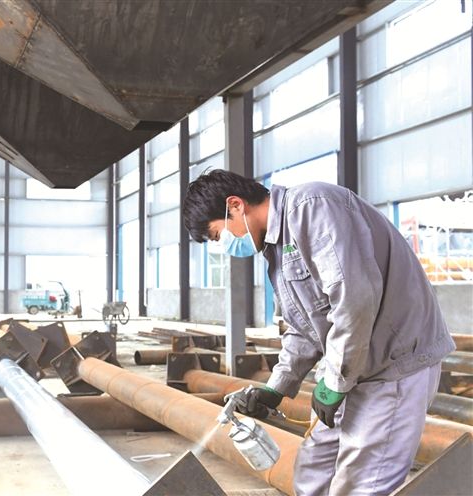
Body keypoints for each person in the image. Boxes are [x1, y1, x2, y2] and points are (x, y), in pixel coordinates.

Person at [183, 169, 455, 495]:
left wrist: (336, 382)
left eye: (217, 235)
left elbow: (354, 301)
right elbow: (303, 328)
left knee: (362, 481)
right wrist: (276, 388)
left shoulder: (312, 208)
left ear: (236, 205)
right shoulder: (277, 247)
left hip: (393, 361)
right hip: (354, 363)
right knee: (314, 467)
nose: (223, 246)